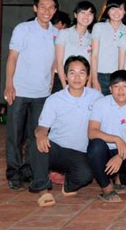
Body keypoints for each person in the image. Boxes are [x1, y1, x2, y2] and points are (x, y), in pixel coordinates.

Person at [29, 56, 102, 207]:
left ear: (88, 76)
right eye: (72, 73)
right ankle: (43, 190)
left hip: (79, 153)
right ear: (66, 76)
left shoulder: (96, 97)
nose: (77, 78)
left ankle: (68, 184)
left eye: (82, 73)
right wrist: (40, 134)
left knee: (85, 175)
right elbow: (42, 127)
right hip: (56, 149)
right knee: (36, 143)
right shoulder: (55, 99)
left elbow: (114, 105)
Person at [4, 0, 59, 191]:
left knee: (36, 134)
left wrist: (51, 79)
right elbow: (12, 57)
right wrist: (9, 84)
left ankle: (29, 170)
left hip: (42, 94)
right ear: (35, 8)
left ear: (55, 10)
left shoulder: (56, 33)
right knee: (15, 135)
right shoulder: (23, 29)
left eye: (51, 7)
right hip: (19, 91)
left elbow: (55, 61)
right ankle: (13, 173)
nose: (47, 11)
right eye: (42, 7)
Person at [87, 70, 126, 203]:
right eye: (116, 86)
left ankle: (119, 177)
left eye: (125, 86)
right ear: (110, 89)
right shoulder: (101, 104)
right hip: (103, 151)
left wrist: (120, 157)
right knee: (96, 145)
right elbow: (92, 132)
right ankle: (107, 189)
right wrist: (116, 139)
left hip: (125, 152)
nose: (120, 90)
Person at [91, 0, 126, 95]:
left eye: (120, 9)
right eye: (113, 9)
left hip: (119, 77)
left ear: (125, 11)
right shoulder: (99, 27)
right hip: (100, 75)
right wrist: (94, 79)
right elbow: (94, 55)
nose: (116, 12)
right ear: (107, 11)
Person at [54, 1, 96, 92]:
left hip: (82, 80)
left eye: (90, 13)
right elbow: (58, 62)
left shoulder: (92, 38)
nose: (86, 16)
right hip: (62, 79)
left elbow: (91, 63)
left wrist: (88, 84)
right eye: (83, 12)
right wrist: (65, 87)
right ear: (75, 15)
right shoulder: (64, 33)